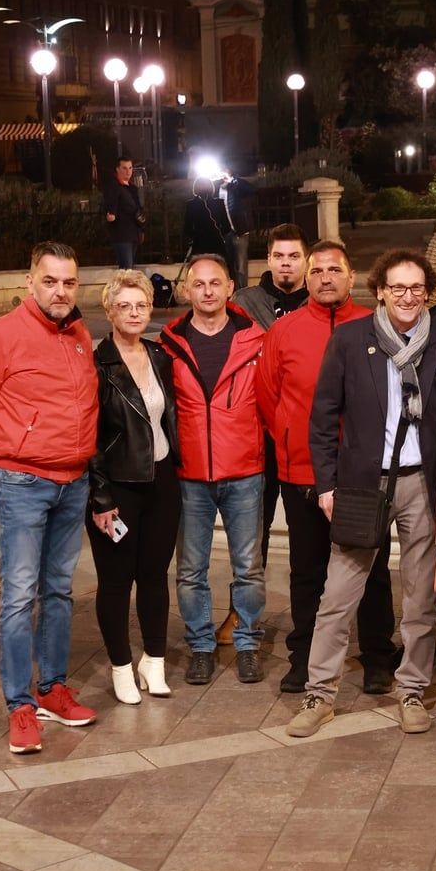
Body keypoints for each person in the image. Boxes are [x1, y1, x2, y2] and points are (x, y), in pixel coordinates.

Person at [286, 249, 436, 738]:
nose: (408, 296)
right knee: (338, 595)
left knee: (421, 596)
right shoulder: (350, 339)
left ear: (428, 292)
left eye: (417, 288)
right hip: (363, 484)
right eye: (397, 287)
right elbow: (323, 417)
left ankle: (412, 689)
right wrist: (326, 484)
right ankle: (319, 695)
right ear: (380, 291)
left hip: (421, 483)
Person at [0, 241, 99, 754]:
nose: (60, 291)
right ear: (30, 282)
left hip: (72, 482)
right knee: (18, 597)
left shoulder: (79, 334)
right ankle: (20, 705)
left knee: (58, 591)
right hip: (22, 483)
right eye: (50, 281)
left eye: (69, 282)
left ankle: (52, 688)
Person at [255, 240, 399, 695]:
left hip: (363, 475)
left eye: (334, 270)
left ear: (351, 276)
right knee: (307, 571)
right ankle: (304, 658)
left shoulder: (376, 326)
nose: (325, 278)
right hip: (302, 473)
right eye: (316, 271)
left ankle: (378, 656)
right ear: (307, 278)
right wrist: (291, 440)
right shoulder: (285, 331)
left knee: (372, 569)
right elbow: (268, 396)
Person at [159, 254, 267, 686]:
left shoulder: (255, 340)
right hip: (190, 476)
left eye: (215, 283)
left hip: (244, 472)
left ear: (229, 287)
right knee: (190, 571)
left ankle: (247, 644)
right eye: (198, 284)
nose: (207, 291)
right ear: (187, 290)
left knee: (249, 568)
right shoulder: (169, 345)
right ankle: (201, 647)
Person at [87, 270, 179, 703]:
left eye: (140, 305)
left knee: (155, 576)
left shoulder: (160, 356)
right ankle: (122, 667)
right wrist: (101, 497)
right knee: (116, 581)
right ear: (109, 311)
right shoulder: (96, 365)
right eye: (124, 306)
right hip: (117, 488)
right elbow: (88, 438)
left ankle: (154, 661)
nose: (134, 313)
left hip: (162, 481)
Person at [222, 222, 311, 648]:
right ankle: (241, 615)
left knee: (306, 540)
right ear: (268, 259)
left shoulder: (318, 301)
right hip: (256, 439)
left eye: (294, 256)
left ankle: (311, 621)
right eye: (279, 256)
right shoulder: (244, 304)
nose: (286, 264)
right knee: (249, 536)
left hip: (303, 441)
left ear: (306, 260)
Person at [101, 158, 145, 269]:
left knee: (129, 268)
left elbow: (138, 207)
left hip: (134, 233)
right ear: (117, 169)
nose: (128, 171)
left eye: (130, 168)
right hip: (122, 234)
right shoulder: (114, 186)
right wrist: (110, 214)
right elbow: (110, 203)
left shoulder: (132, 187)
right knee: (126, 269)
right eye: (124, 168)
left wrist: (141, 228)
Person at [220, 171, 257, 286]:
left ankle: (242, 292)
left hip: (240, 231)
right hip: (226, 233)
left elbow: (251, 190)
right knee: (228, 265)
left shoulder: (236, 186)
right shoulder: (217, 188)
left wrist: (232, 180)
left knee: (241, 266)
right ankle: (232, 291)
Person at [184, 177, 233, 261]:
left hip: (198, 247)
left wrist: (196, 236)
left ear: (196, 188)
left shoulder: (191, 204)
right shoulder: (219, 203)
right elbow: (227, 227)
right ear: (211, 187)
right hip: (217, 246)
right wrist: (218, 234)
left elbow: (187, 229)